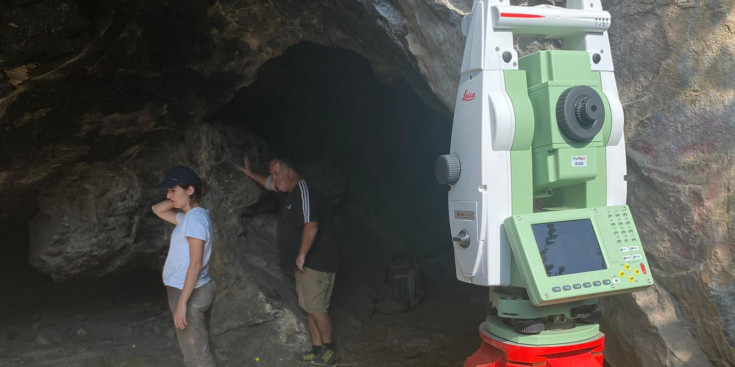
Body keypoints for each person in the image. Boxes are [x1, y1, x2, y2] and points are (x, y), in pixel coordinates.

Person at [238, 157, 339, 365]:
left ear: (290, 171)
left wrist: (302, 255)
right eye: (272, 175)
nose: (273, 179)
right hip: (304, 265)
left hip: (317, 262)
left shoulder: (304, 191)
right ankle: (317, 349)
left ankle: (330, 351)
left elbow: (311, 226)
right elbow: (268, 183)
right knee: (309, 307)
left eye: (276, 174)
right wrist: (250, 175)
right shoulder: (287, 189)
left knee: (317, 308)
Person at [152, 166, 216, 367]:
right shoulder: (188, 217)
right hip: (185, 288)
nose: (168, 196)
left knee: (196, 352)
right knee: (193, 347)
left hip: (187, 290)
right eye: (168, 191)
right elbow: (157, 209)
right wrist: (178, 198)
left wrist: (182, 304)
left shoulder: (194, 220)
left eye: (173, 190)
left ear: (189, 190)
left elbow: (195, 264)